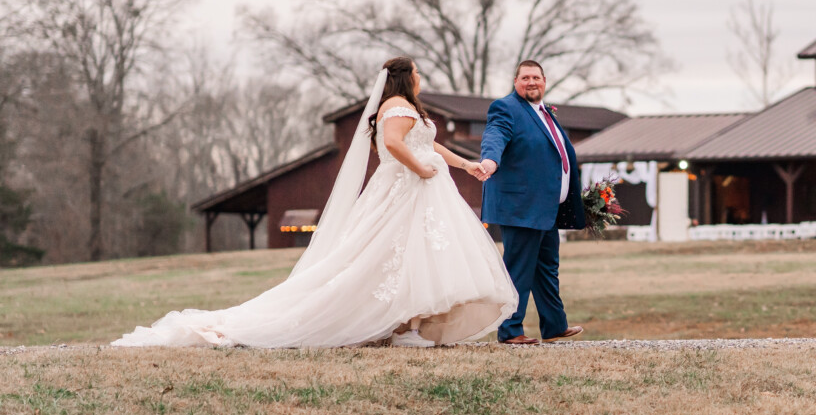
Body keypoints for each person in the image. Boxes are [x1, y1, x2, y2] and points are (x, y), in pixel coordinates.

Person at [113, 57, 517, 348]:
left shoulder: (408, 109)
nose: (422, 78)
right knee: (388, 256)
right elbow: (395, 144)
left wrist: (464, 165)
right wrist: (420, 170)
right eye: (417, 73)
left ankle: (409, 325)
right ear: (403, 78)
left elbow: (426, 142)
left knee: (413, 256)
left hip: (422, 194)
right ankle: (402, 328)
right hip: (405, 191)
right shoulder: (396, 106)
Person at [478, 60, 586, 345]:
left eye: (535, 77)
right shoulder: (505, 108)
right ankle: (510, 330)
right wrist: (490, 159)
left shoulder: (544, 113)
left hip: (545, 208)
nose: (531, 82)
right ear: (516, 82)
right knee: (519, 268)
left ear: (544, 81)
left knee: (546, 267)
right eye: (525, 78)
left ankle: (554, 325)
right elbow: (495, 135)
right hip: (521, 207)